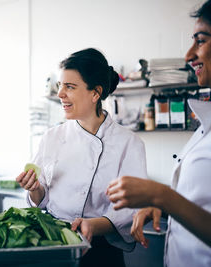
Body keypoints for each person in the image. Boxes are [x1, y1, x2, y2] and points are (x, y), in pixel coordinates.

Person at [16, 48, 147, 267]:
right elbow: (42, 197)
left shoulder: (129, 144)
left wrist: (95, 225)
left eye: (70, 87)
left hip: (102, 252)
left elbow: (132, 208)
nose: (60, 94)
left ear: (95, 93)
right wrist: (34, 188)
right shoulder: (51, 137)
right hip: (55, 243)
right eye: (60, 86)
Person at [106, 1, 211, 266]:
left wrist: (160, 195)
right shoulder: (204, 127)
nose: (189, 55)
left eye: (201, 40)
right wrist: (165, 207)